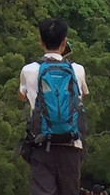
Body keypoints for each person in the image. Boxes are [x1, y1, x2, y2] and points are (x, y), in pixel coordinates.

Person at [18, 17, 88, 195]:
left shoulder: (29, 70)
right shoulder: (77, 70)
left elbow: (21, 96)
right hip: (71, 145)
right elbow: (80, 99)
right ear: (65, 41)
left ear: (41, 42)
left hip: (41, 145)